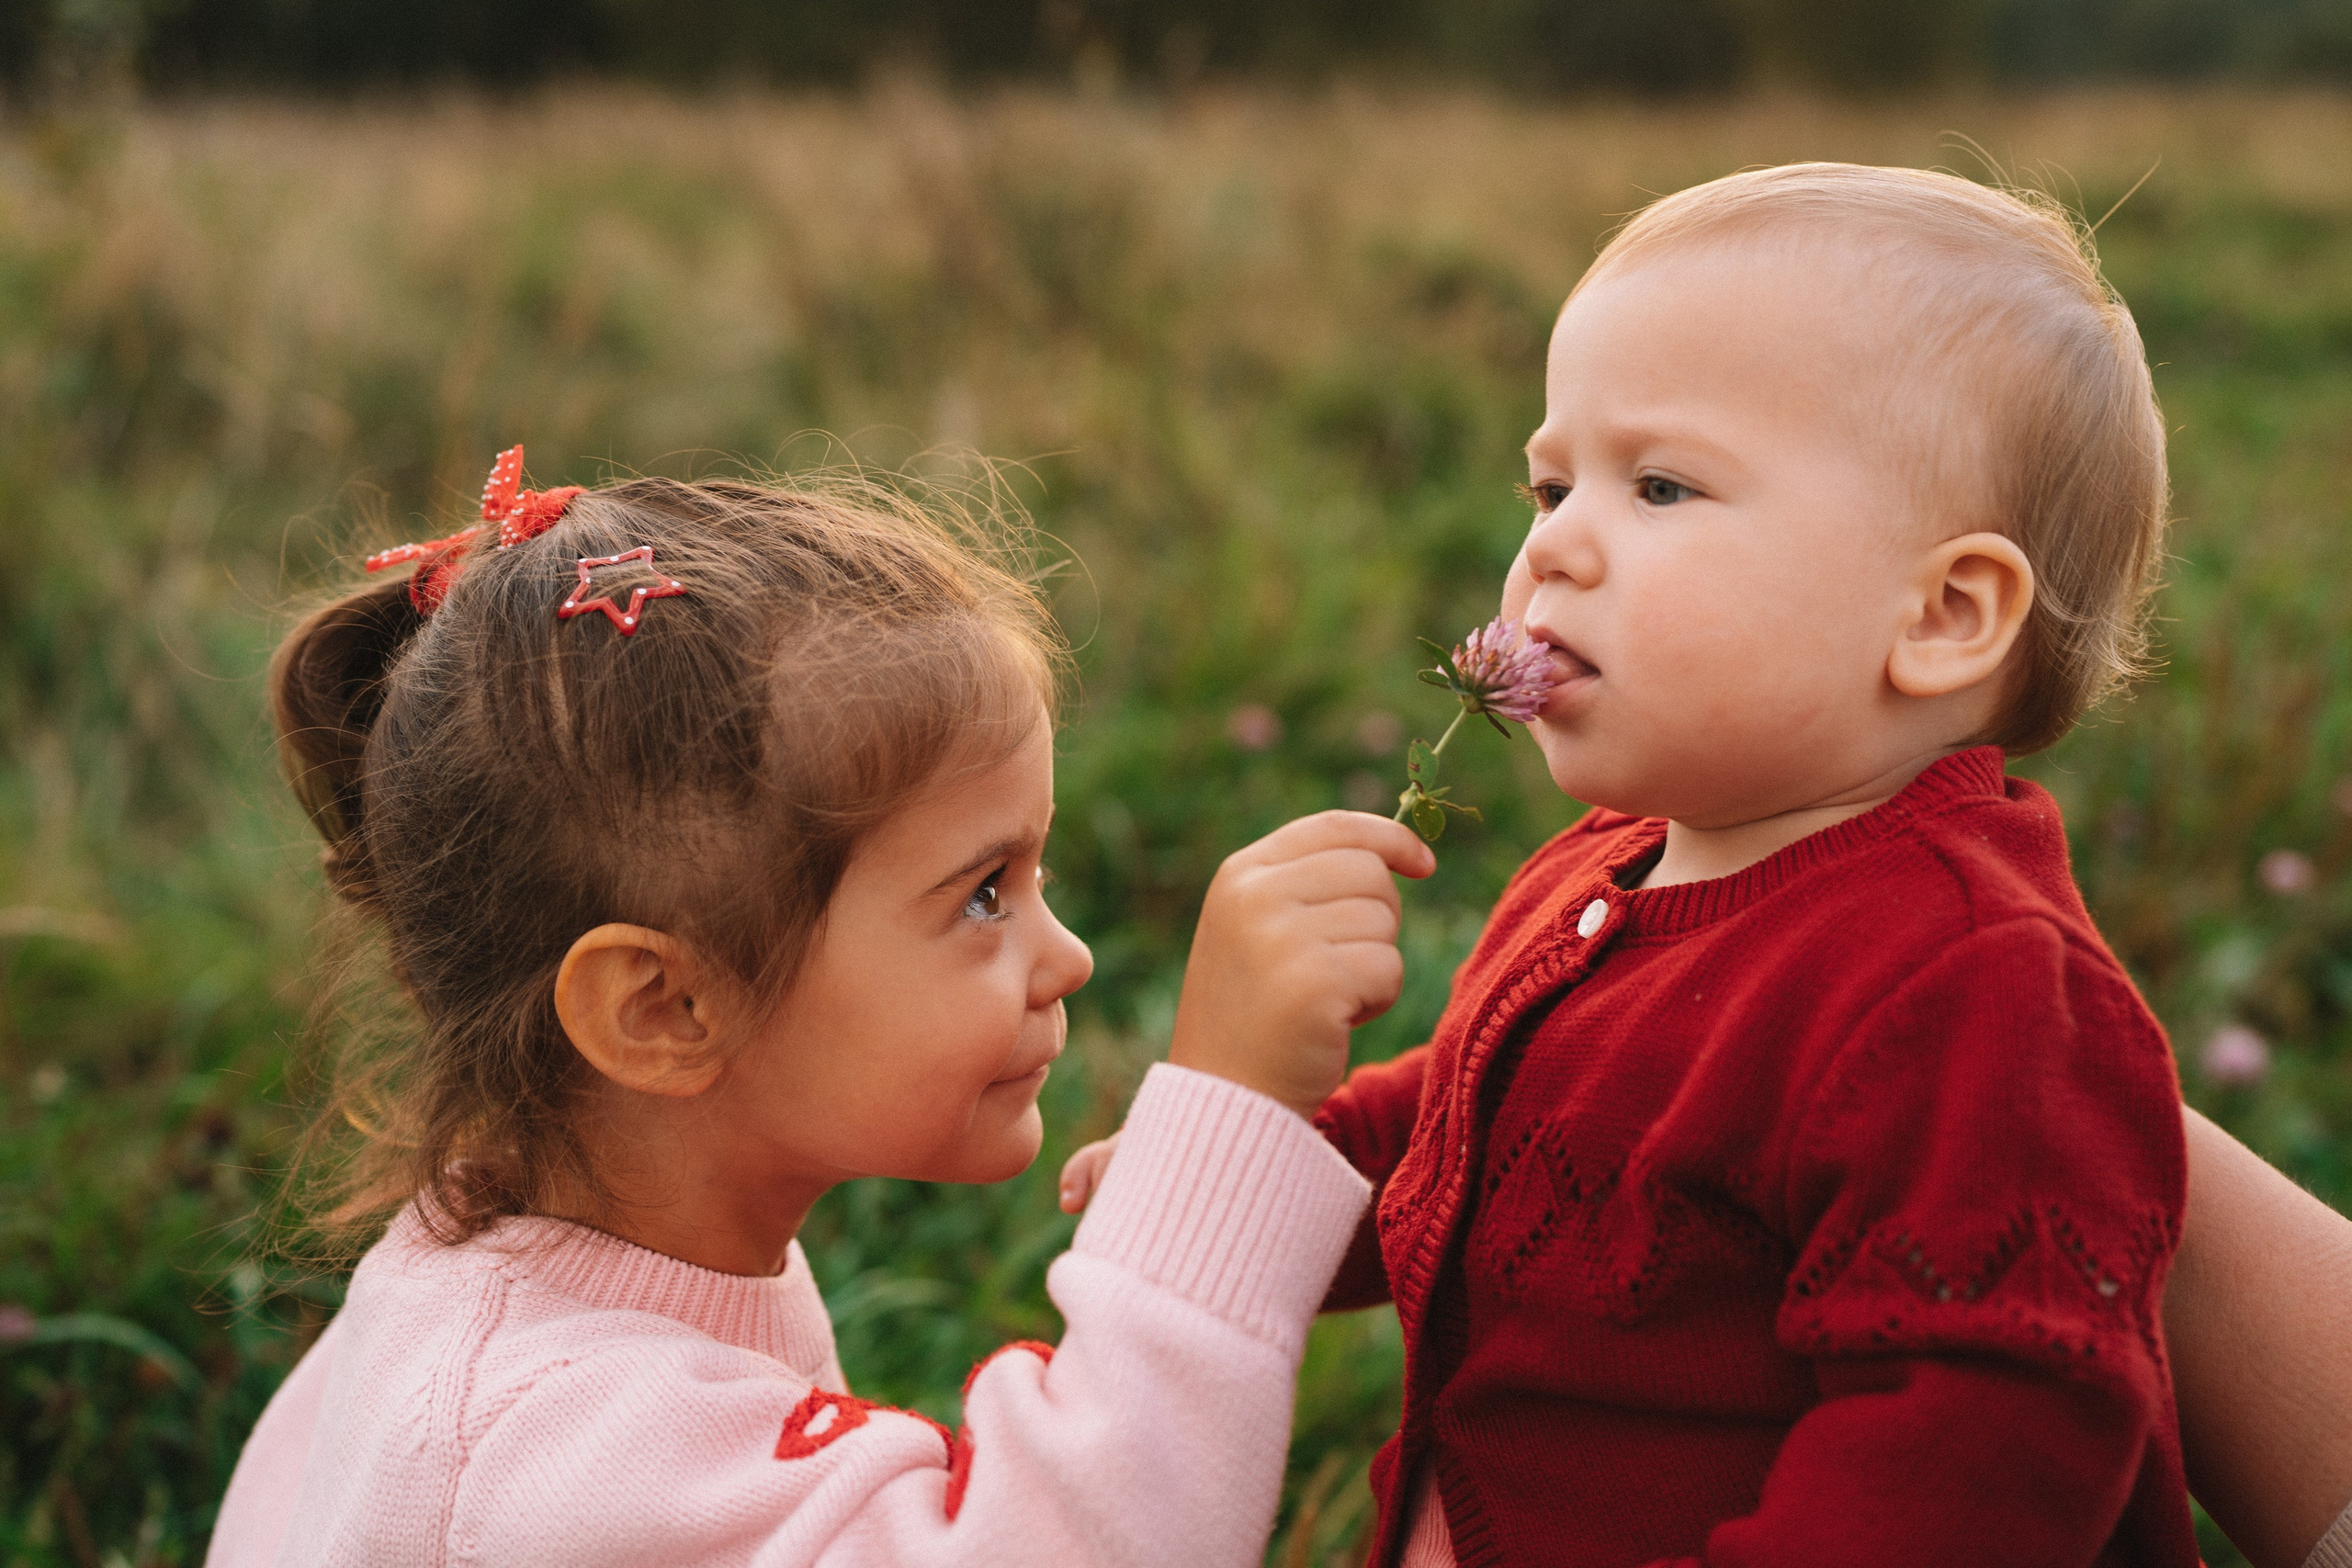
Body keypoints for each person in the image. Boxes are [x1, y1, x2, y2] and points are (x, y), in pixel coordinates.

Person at [1057, 163, 2352, 1567]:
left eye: (1660, 486)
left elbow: (1978, 1457)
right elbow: (1482, 1123)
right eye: (1551, 484)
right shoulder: (1617, 868)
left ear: (1944, 614)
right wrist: (1262, 1176)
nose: (1552, 545)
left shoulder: (1977, 995)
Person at [206, 457, 1437, 1566]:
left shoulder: (494, 1295)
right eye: (982, 894)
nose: (1067, 959)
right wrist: (1226, 1129)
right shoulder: (554, 1450)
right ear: (664, 1008)